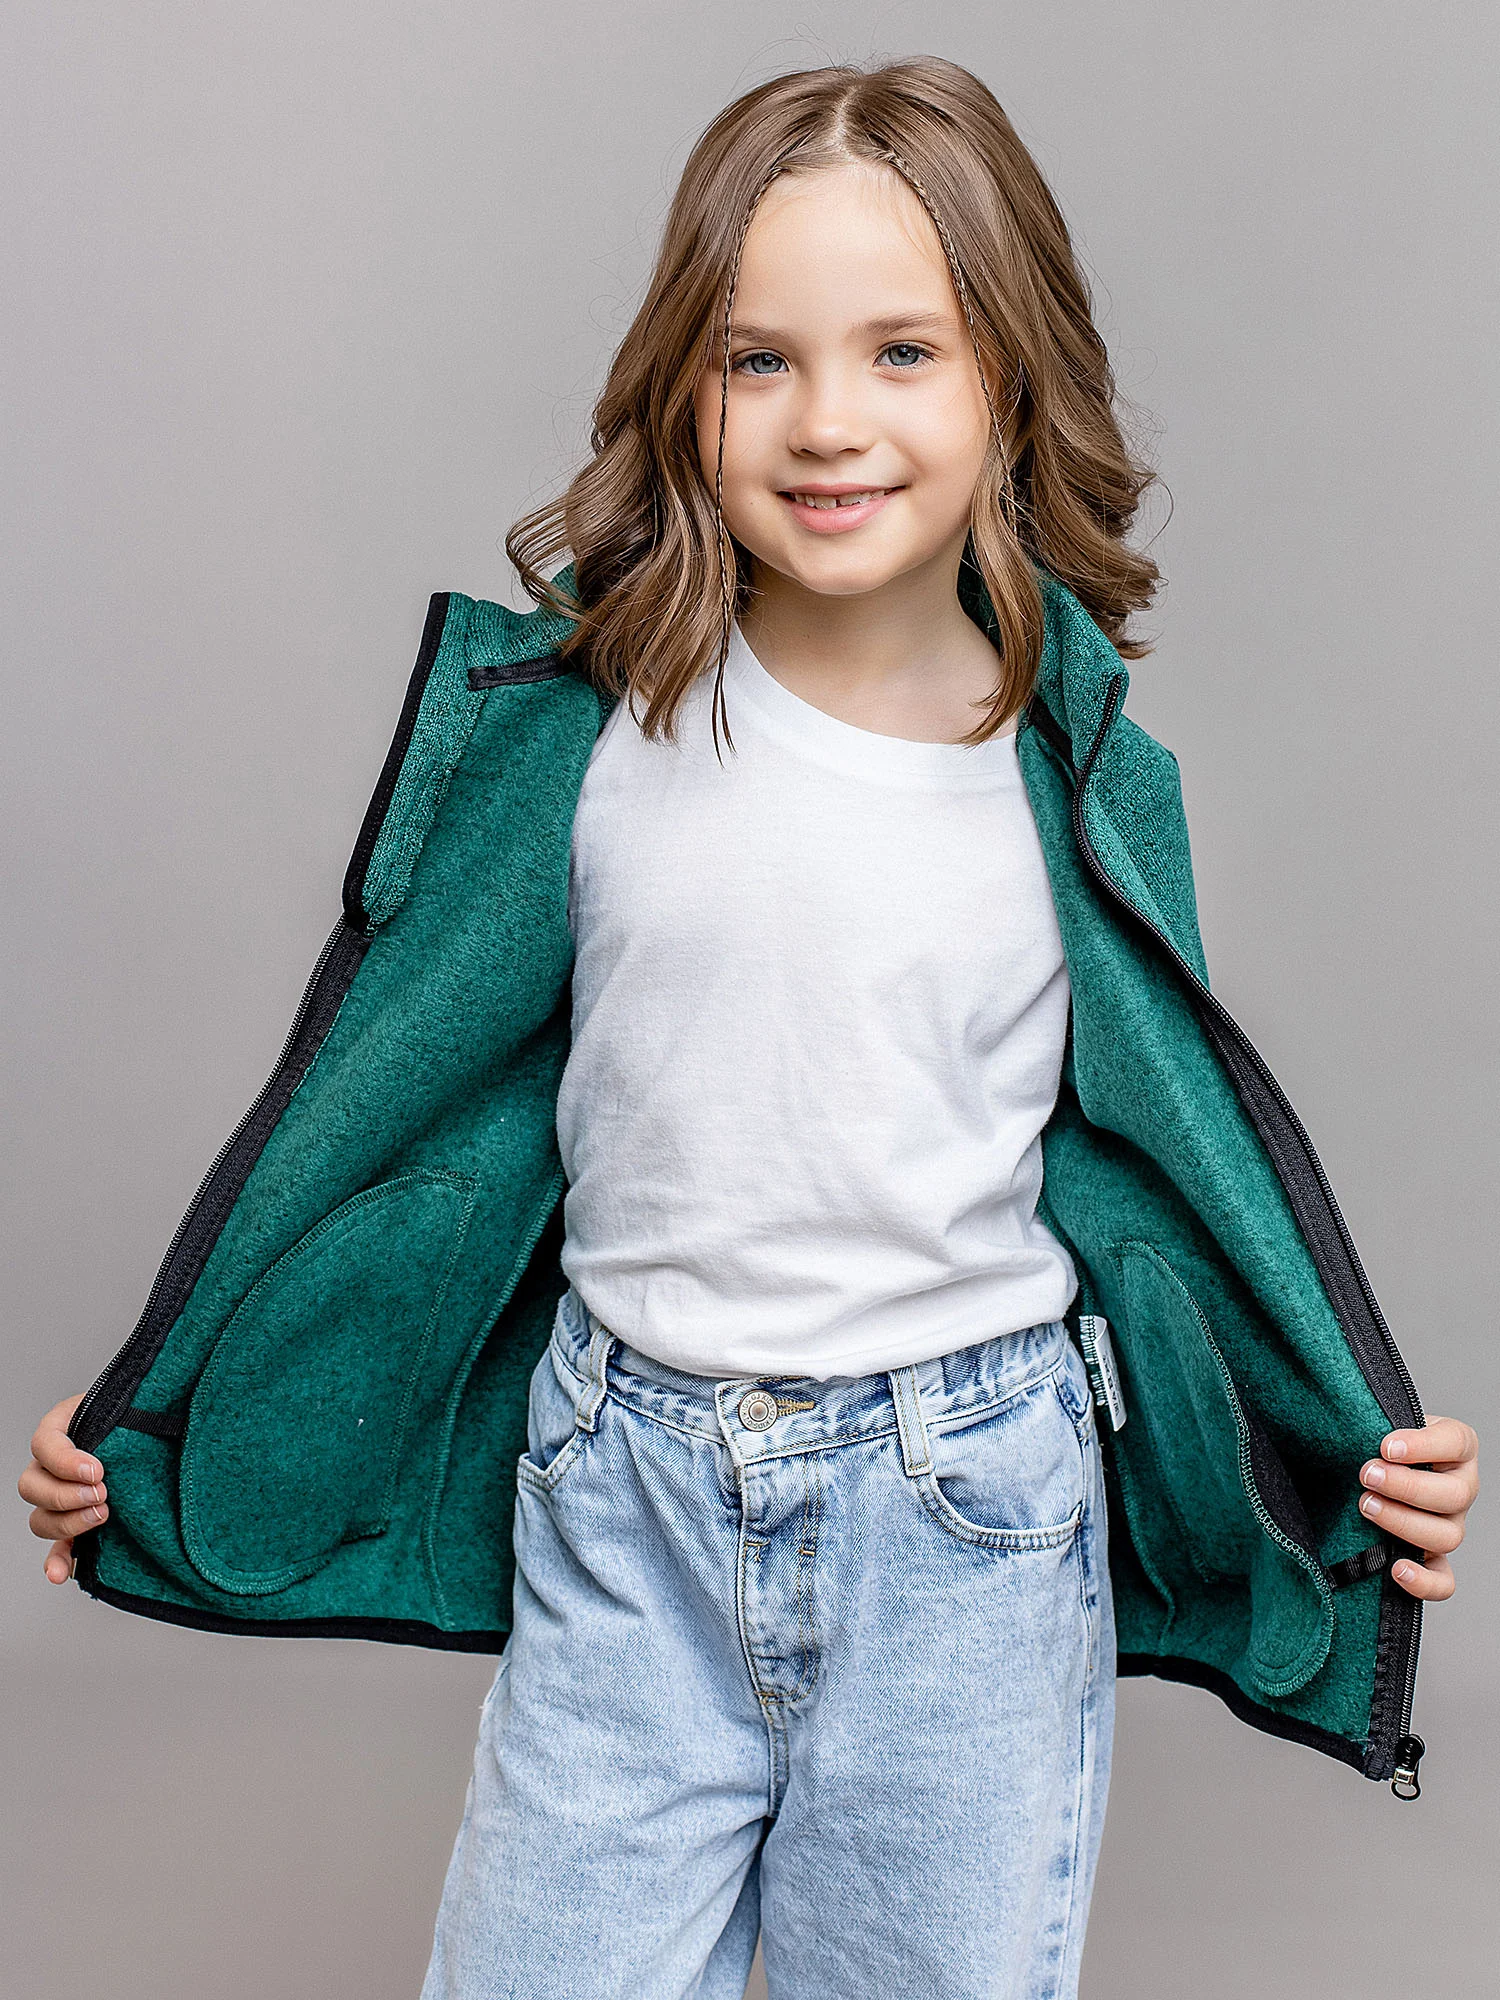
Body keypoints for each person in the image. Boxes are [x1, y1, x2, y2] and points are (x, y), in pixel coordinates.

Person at [19, 56, 1481, 1999]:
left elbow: (1178, 1192)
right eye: (757, 360)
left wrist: (1344, 1455)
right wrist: (176, 1407)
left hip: (965, 1524)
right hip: (623, 1494)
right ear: (683, 386)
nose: (827, 420)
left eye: (903, 352)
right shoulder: (590, 738)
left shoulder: (1079, 792)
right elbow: (399, 1109)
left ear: (1012, 383)